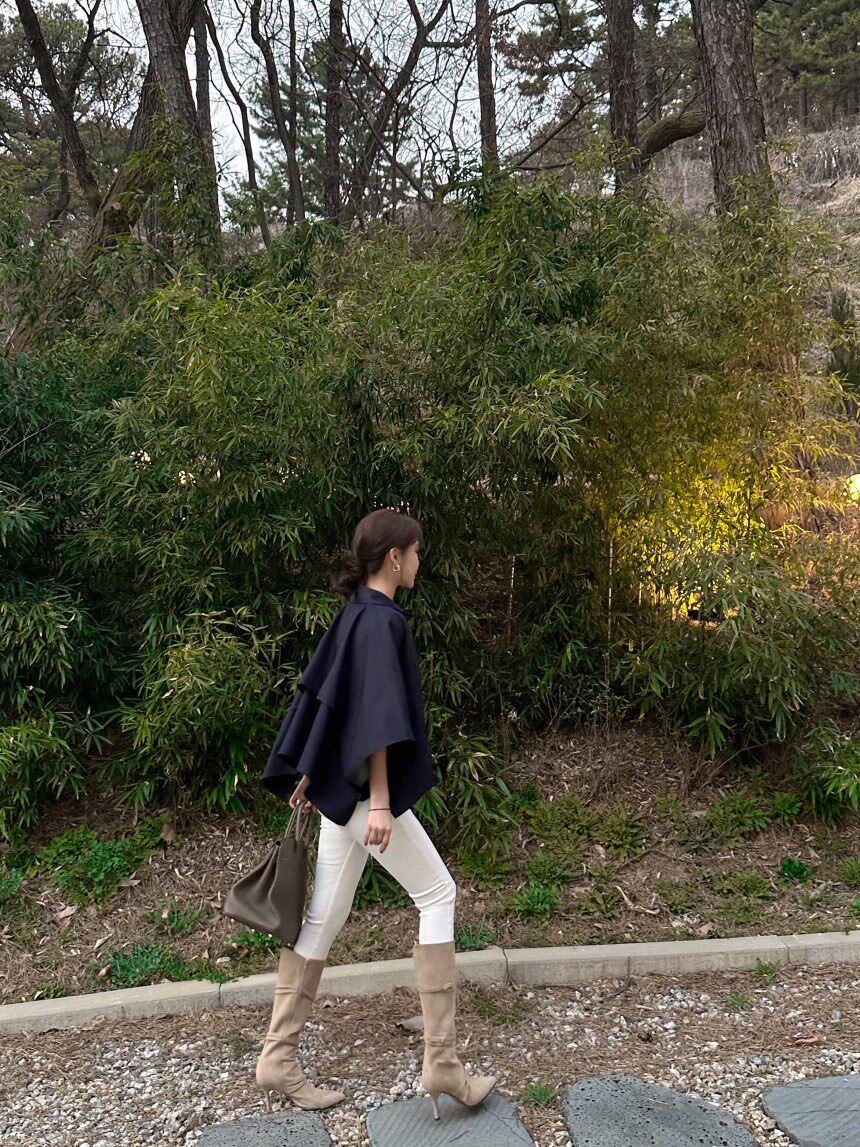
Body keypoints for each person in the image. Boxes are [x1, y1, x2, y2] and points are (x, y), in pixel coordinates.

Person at [255, 508, 497, 1121]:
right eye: (415, 553)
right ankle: (442, 1062)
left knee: (323, 918)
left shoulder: (355, 612)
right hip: (366, 798)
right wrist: (382, 802)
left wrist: (313, 772)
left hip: (343, 793)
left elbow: (331, 702)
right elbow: (376, 721)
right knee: (438, 894)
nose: (418, 562)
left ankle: (277, 1057)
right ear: (394, 557)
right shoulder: (383, 620)